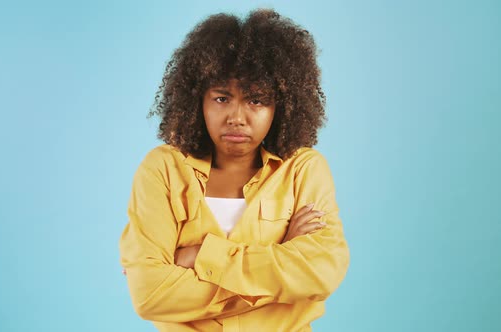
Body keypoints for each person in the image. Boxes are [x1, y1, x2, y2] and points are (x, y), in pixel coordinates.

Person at [119, 8, 349, 331]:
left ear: (280, 104)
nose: (237, 117)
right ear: (197, 99)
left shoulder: (304, 171)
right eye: (222, 98)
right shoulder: (163, 171)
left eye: (256, 100)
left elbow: (322, 271)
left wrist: (202, 258)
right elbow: (149, 293)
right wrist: (281, 266)